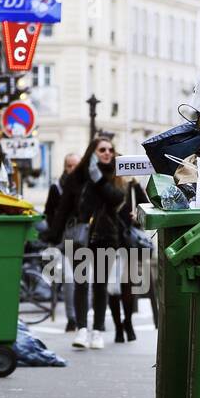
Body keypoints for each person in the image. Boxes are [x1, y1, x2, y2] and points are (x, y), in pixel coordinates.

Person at [47, 134, 125, 350]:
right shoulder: (76, 178)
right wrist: (54, 237)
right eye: (102, 150)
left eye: (110, 149)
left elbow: (117, 199)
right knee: (81, 284)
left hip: (106, 237)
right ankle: (82, 329)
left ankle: (97, 331)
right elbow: (63, 209)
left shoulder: (114, 175)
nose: (107, 153)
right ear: (92, 153)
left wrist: (97, 177)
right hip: (79, 237)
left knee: (100, 286)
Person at [108, 178, 149, 342]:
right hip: (109, 241)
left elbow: (147, 208)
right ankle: (118, 327)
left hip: (128, 242)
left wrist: (137, 214)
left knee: (128, 286)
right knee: (112, 289)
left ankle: (129, 323)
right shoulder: (106, 186)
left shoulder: (133, 186)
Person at [44, 152, 81, 331]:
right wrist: (55, 233)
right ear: (65, 167)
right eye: (69, 166)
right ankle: (72, 318)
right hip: (61, 242)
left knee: (83, 280)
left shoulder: (87, 187)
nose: (72, 169)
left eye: (76, 165)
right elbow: (49, 213)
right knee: (68, 279)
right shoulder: (57, 188)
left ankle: (82, 318)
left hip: (81, 240)